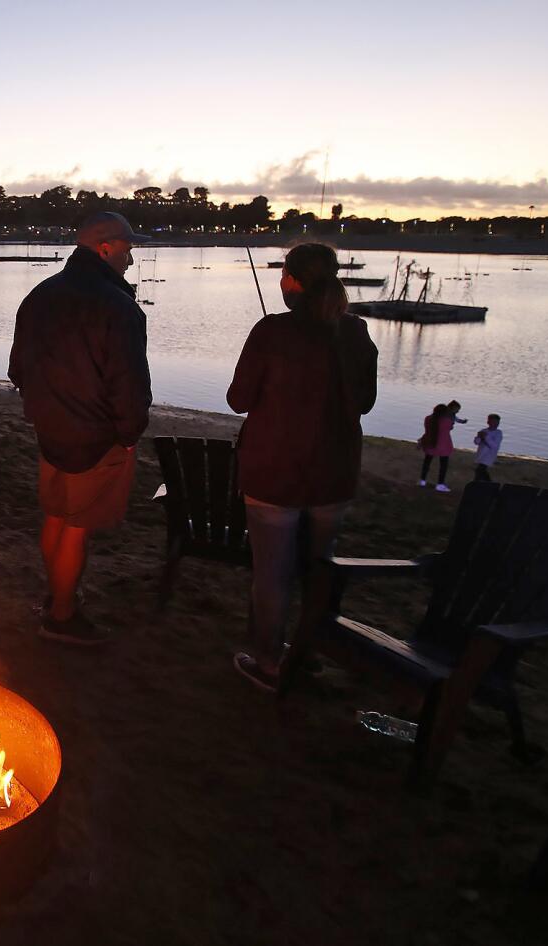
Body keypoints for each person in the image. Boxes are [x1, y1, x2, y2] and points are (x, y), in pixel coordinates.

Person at [226, 242, 378, 690]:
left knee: (272, 574)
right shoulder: (356, 332)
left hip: (274, 473)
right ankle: (306, 653)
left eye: (284, 274)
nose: (280, 281)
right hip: (334, 474)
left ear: (293, 281)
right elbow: (365, 403)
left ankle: (270, 662)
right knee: (315, 571)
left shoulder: (272, 331)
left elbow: (238, 400)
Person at [9, 211, 152, 646]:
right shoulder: (119, 308)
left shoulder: (39, 295)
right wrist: (129, 436)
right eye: (127, 248)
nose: (131, 257)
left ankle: (57, 594)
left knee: (56, 515)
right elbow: (129, 385)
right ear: (105, 248)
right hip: (95, 436)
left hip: (50, 431)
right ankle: (63, 615)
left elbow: (17, 369)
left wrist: (44, 405)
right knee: (76, 527)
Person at [418, 403, 454, 492]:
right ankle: (440, 484)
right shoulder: (447, 421)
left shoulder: (428, 419)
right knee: (443, 466)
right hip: (443, 446)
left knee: (427, 462)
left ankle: (422, 480)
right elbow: (450, 427)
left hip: (430, 444)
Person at [473, 413, 503, 482]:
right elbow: (476, 442)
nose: (496, 424)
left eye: (497, 422)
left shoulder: (498, 433)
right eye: (494, 422)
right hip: (480, 455)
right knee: (481, 472)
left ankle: (475, 485)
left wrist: (485, 437)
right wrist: (478, 437)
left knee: (479, 470)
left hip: (489, 456)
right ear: (488, 422)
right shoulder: (484, 431)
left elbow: (494, 446)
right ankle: (489, 484)